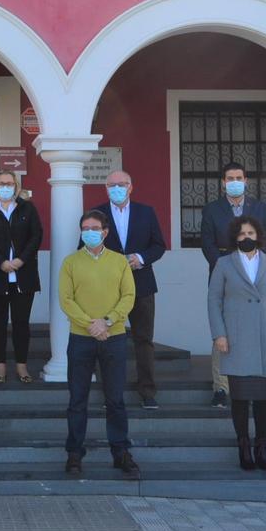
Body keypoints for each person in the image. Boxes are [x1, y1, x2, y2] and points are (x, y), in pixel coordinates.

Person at [207, 216, 266, 471]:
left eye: (251, 233)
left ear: (259, 236)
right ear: (235, 237)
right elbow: (214, 301)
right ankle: (243, 444)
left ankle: (262, 445)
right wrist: (219, 334)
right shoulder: (223, 264)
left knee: (264, 398)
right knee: (241, 397)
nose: (247, 237)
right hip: (236, 337)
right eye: (242, 233)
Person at [59, 210, 140, 477]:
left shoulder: (119, 262)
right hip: (81, 338)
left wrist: (107, 321)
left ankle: (120, 451)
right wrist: (90, 324)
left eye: (94, 227)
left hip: (113, 337)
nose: (89, 232)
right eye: (85, 227)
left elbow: (128, 296)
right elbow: (66, 300)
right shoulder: (70, 262)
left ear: (105, 232)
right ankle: (74, 452)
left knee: (115, 399)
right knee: (77, 399)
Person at [200, 162, 266, 408]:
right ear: (223, 182)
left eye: (238, 177)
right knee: (222, 329)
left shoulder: (260, 208)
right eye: (229, 178)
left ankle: (259, 387)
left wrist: (253, 265)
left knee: (258, 329)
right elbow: (207, 243)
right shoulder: (212, 209)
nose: (234, 181)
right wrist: (226, 267)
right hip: (223, 274)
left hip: (255, 276)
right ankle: (221, 387)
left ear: (246, 180)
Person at [93, 170, 167, 409]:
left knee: (143, 339)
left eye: (122, 184)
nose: (117, 188)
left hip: (142, 285)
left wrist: (141, 258)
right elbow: (86, 246)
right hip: (108, 288)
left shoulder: (146, 212)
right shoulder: (97, 214)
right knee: (107, 341)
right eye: (112, 184)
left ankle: (147, 392)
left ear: (130, 187)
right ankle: (111, 395)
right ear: (106, 188)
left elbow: (159, 245)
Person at [0, 170, 42, 384]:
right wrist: (0, 262)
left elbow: (36, 235)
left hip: (24, 276)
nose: (5, 186)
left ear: (16, 186)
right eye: (1, 183)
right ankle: (0, 366)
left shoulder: (27, 208)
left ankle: (22, 365)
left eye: (10, 183)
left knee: (21, 324)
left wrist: (21, 260)